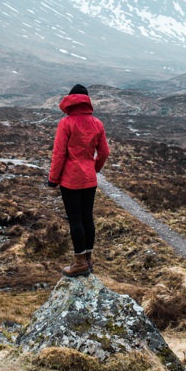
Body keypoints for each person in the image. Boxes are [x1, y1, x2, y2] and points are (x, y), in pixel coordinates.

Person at [48, 84, 110, 277]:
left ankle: (79, 263)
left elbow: (59, 154)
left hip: (70, 179)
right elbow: (104, 152)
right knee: (87, 218)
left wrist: (53, 179)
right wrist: (94, 168)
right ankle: (88, 260)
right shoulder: (97, 123)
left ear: (70, 100)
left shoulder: (66, 123)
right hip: (89, 179)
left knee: (75, 220)